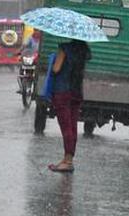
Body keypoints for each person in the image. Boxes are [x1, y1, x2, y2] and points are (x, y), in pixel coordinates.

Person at [48, 39, 91, 173]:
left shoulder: (64, 48)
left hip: (62, 90)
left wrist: (54, 60)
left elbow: (56, 69)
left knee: (66, 126)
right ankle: (68, 159)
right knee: (72, 126)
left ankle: (67, 161)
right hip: (76, 91)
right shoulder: (84, 50)